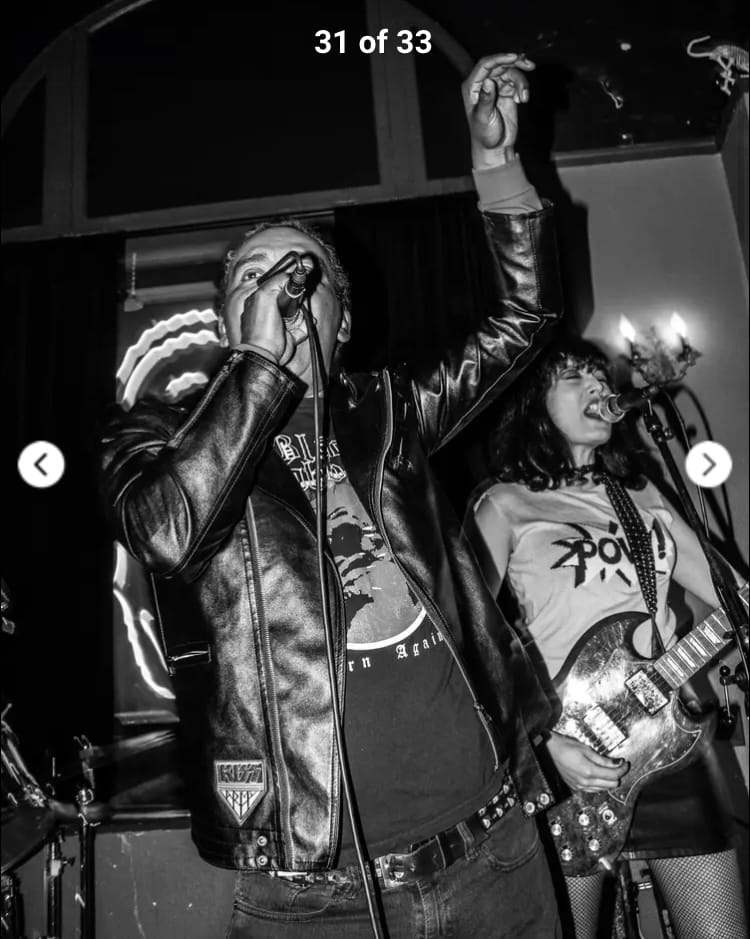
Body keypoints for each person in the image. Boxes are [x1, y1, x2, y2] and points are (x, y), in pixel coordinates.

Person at [100, 53, 564, 938]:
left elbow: (523, 322)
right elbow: (164, 533)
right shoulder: (155, 434)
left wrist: (495, 163)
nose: (279, 286)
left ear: (341, 320)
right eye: (252, 276)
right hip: (317, 892)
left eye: (301, 274)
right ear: (227, 318)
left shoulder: (389, 408)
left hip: (494, 847)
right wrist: (258, 369)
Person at [466, 335, 748, 939]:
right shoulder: (505, 503)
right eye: (574, 377)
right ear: (534, 404)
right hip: (569, 753)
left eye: (600, 374)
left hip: (672, 746)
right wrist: (541, 746)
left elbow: (734, 598)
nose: (598, 385)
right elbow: (470, 641)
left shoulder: (642, 492)